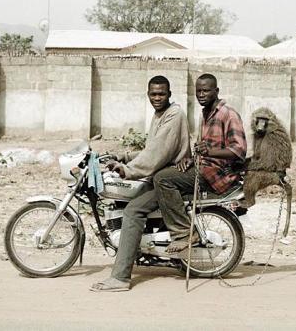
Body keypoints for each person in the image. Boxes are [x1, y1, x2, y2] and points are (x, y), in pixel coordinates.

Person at [90, 75, 191, 292]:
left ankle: (120, 278)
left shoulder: (174, 115)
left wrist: (128, 170)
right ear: (148, 95)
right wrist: (124, 156)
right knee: (130, 201)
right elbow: (151, 148)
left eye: (161, 93)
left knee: (132, 212)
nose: (157, 97)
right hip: (160, 175)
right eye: (153, 94)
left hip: (168, 177)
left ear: (169, 94)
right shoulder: (159, 115)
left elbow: (157, 154)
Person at [153, 73, 247, 253]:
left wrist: (209, 152)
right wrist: (191, 159)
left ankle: (183, 233)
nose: (201, 95)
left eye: (206, 90)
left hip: (216, 175)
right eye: (198, 91)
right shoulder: (206, 113)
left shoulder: (228, 114)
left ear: (216, 91)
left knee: (162, 179)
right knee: (168, 171)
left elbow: (239, 150)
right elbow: (204, 149)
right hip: (203, 168)